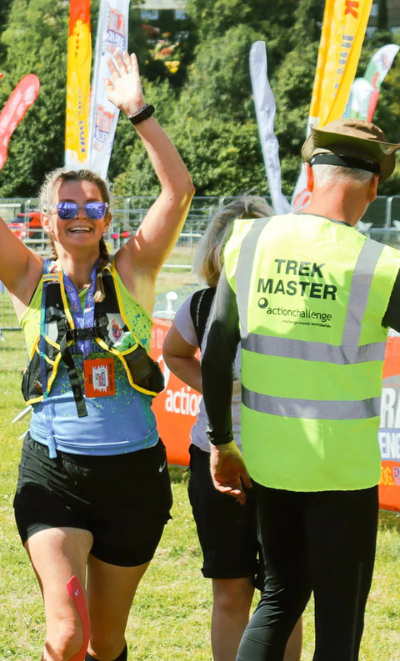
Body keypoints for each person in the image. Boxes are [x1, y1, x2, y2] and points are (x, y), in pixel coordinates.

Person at [0, 48, 194, 661]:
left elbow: (180, 190)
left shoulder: (133, 270)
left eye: (92, 207)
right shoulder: (29, 279)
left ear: (108, 217)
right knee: (66, 637)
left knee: (106, 642)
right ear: (47, 221)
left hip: (135, 476)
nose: (80, 216)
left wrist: (138, 110)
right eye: (67, 208)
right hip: (53, 473)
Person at [202, 119, 400, 661]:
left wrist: (222, 442)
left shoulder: (252, 238)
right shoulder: (381, 265)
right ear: (373, 185)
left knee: (279, 600)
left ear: (311, 172)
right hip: (344, 474)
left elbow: (217, 353)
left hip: (271, 465)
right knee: (339, 624)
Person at [162, 198, 302, 661]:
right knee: (230, 591)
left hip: (285, 461)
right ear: (217, 251)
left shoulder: (292, 308)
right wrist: (215, 388)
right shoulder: (201, 306)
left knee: (285, 597)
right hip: (214, 459)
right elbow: (174, 352)